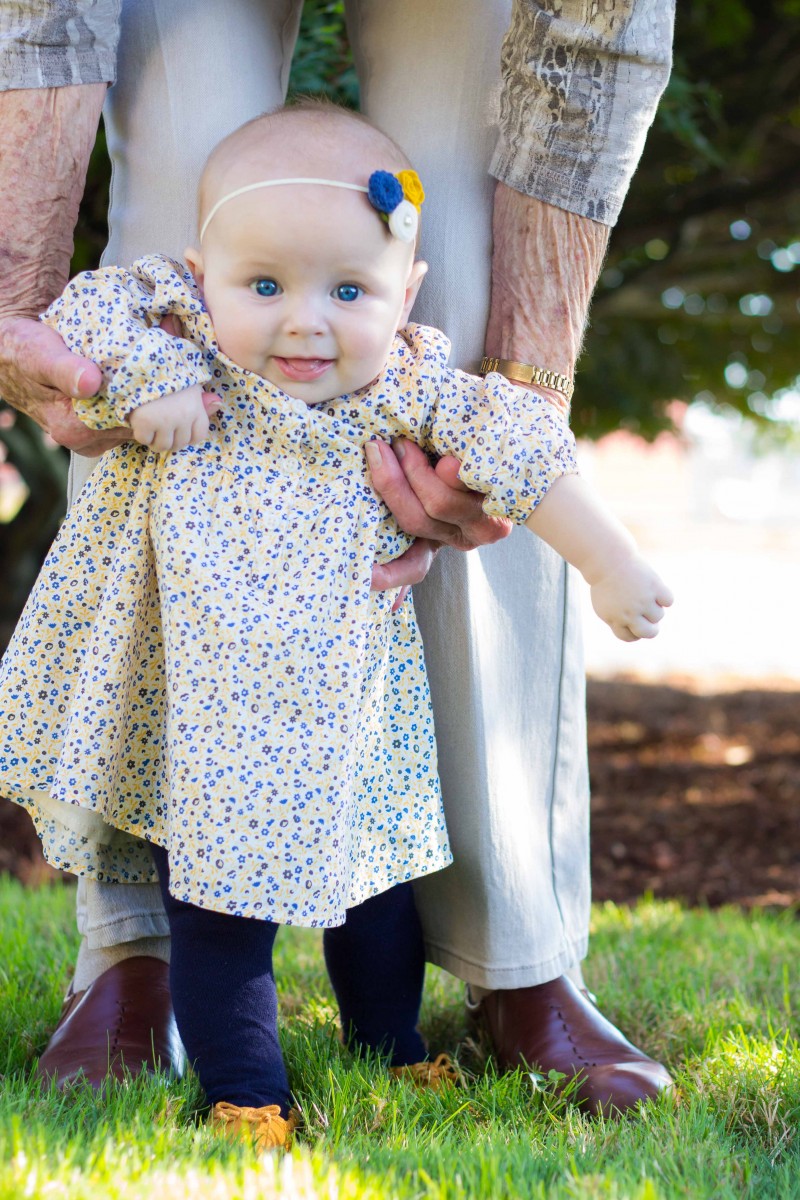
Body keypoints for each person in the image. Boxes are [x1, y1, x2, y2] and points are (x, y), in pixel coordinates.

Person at [0, 0, 677, 1116]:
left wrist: (605, 555)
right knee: (187, 166)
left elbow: (515, 439)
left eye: (350, 298)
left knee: (452, 215)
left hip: (353, 690)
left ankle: (514, 951)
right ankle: (138, 960)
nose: (305, 325)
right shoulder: (181, 317)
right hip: (206, 680)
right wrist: (119, 366)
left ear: (397, 306)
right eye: (267, 294)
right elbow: (101, 310)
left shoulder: (406, 365)